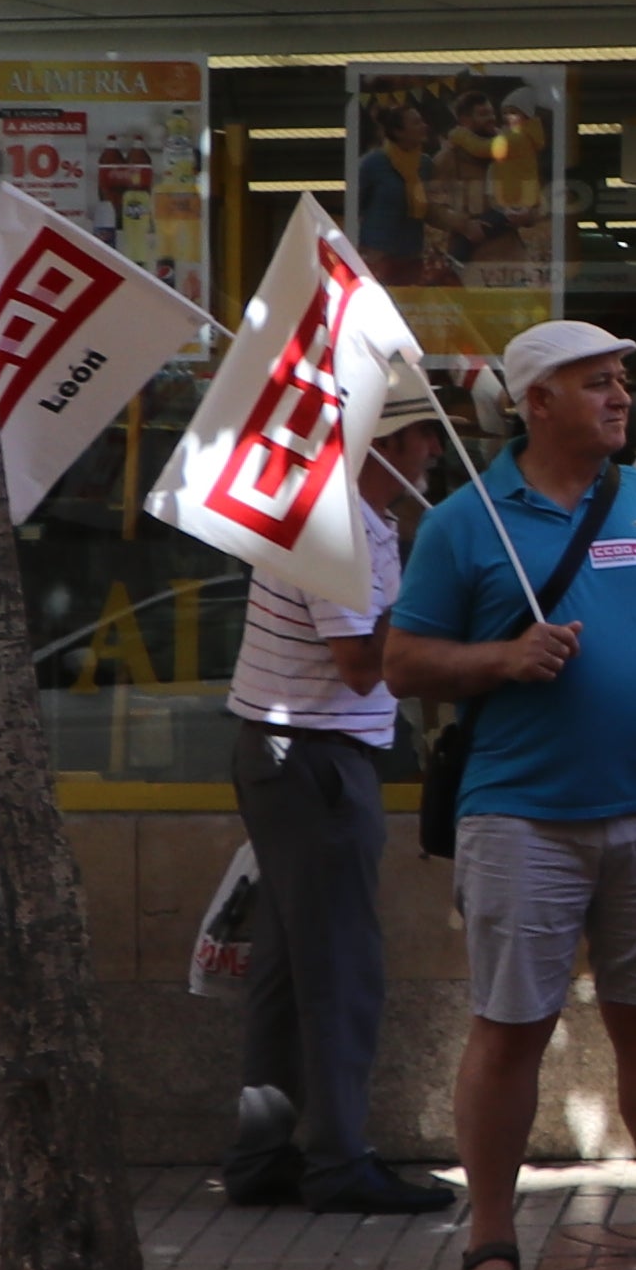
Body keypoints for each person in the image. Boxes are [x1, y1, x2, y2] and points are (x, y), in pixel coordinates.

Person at [392, 320, 636, 1270]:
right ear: (536, 402)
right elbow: (403, 662)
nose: (622, 396)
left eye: (623, 380)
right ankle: (491, 1237)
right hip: (520, 819)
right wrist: (501, 660)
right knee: (510, 1030)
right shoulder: (464, 521)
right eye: (596, 383)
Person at [218, 404, 455, 1215]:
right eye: (425, 434)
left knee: (289, 970)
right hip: (315, 758)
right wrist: (435, 606)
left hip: (301, 755)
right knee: (343, 968)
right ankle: (339, 1160)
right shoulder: (337, 528)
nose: (434, 451)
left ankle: (263, 1155)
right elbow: (362, 663)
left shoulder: (355, 518)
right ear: (383, 445)